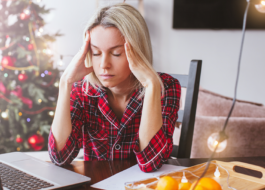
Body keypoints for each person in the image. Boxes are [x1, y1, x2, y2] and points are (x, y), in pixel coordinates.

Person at [48, 3, 181, 172]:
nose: (104, 65)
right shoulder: (83, 90)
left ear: (138, 51)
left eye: (116, 53)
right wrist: (65, 82)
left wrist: (151, 85)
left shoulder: (166, 87)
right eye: (96, 53)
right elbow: (59, 157)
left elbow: (150, 163)